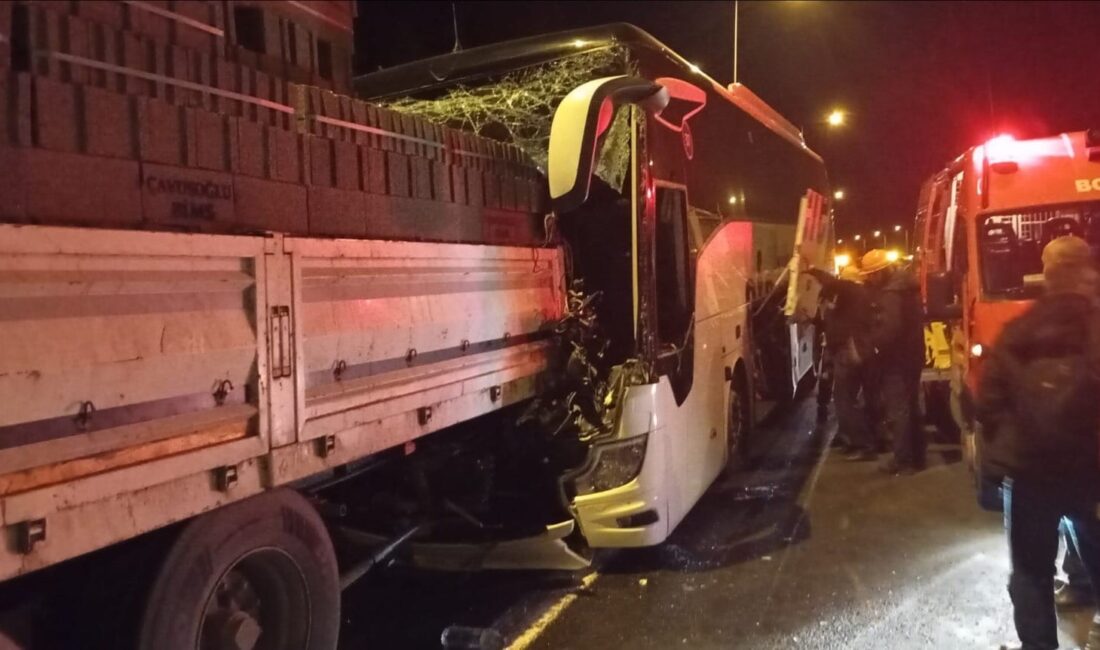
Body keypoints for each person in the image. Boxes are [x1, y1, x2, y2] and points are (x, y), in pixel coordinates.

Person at [977, 235, 1100, 650]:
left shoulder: (1019, 330)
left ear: (1046, 275)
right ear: (1087, 273)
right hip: (1090, 469)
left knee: (1031, 573)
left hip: (1030, 474)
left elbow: (989, 403)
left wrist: (1009, 450)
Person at [861, 249, 925, 475]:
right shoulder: (906, 287)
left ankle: (903, 460)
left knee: (898, 409)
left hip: (896, 360)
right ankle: (917, 456)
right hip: (912, 355)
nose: (869, 279)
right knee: (911, 406)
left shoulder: (891, 294)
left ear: (880, 272)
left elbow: (890, 329)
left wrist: (873, 345)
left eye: (871, 275)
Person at [806, 263, 879, 460]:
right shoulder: (856, 297)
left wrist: (812, 269)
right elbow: (833, 319)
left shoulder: (852, 291)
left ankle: (863, 444)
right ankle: (856, 440)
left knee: (845, 400)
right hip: (850, 349)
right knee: (849, 399)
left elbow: (833, 284)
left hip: (850, 350)